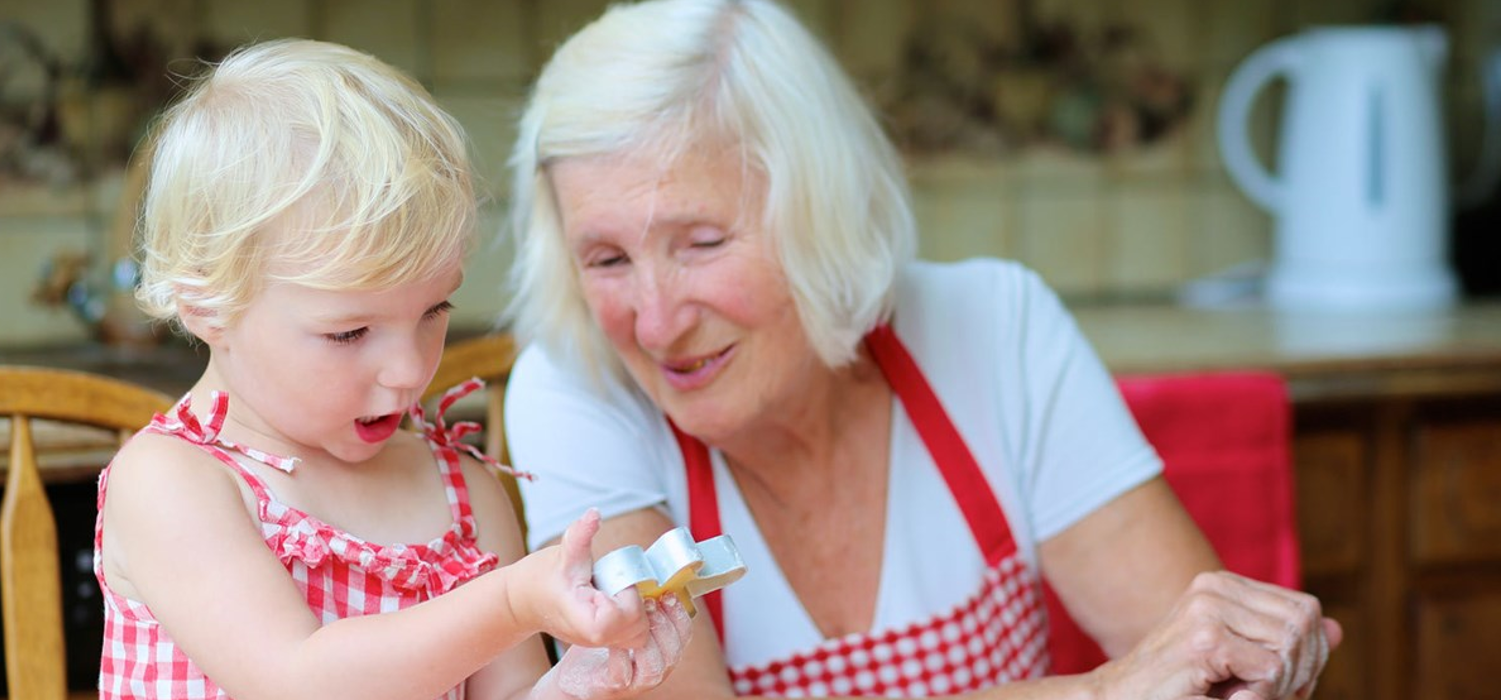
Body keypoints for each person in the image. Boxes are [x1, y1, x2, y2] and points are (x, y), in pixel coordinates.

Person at [501, 1, 1341, 699]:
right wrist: (1095, 693)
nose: (653, 325)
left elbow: (1198, 671)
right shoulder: (575, 389)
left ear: (822, 212)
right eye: (605, 260)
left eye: (702, 243)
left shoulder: (995, 327)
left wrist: (1235, 661)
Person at [95, 39, 692, 700]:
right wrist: (511, 602)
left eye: (434, 310)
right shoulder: (172, 482)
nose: (409, 370)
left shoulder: (463, 496)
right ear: (207, 304)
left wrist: (580, 686)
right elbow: (299, 682)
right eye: (349, 332)